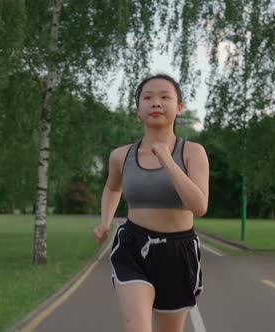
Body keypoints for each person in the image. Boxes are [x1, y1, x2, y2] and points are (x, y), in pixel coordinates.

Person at [93, 73, 210, 332]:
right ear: (138, 109)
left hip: (178, 251)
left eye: (165, 97)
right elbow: (113, 188)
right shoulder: (121, 156)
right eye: (147, 97)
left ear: (179, 107)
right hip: (132, 246)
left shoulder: (192, 152)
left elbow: (199, 206)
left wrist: (167, 160)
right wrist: (105, 222)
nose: (156, 102)